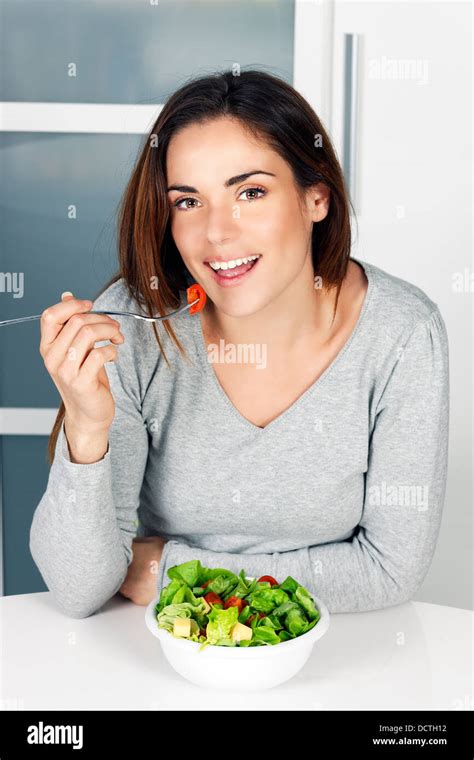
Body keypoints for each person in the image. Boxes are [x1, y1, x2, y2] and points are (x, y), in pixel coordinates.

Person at [30, 69, 449, 618]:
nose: (217, 234)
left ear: (316, 197)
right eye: (187, 201)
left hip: (335, 660)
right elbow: (78, 589)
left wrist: (169, 570)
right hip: (155, 660)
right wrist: (86, 428)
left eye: (250, 192)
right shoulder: (136, 322)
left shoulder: (402, 332)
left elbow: (389, 570)